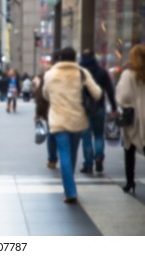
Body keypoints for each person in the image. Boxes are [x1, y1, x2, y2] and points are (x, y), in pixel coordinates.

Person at [43, 47, 102, 204]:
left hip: (58, 120)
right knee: (72, 153)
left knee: (64, 153)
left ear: (60, 57)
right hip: (77, 118)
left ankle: (70, 191)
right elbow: (97, 93)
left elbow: (45, 94)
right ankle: (70, 184)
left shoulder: (50, 74)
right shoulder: (82, 72)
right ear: (75, 57)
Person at [79, 50, 118, 174]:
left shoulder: (80, 72)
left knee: (86, 136)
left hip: (84, 109)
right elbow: (110, 90)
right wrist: (113, 107)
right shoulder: (102, 71)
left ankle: (88, 164)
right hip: (99, 107)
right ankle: (99, 156)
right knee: (98, 135)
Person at [116, 44, 145, 195]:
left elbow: (123, 96)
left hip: (133, 118)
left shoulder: (128, 74)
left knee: (129, 150)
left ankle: (130, 182)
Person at [35, 50, 61, 169]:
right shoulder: (75, 73)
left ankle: (52, 159)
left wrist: (39, 112)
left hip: (51, 110)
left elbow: (41, 95)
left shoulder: (48, 74)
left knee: (52, 135)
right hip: (70, 112)